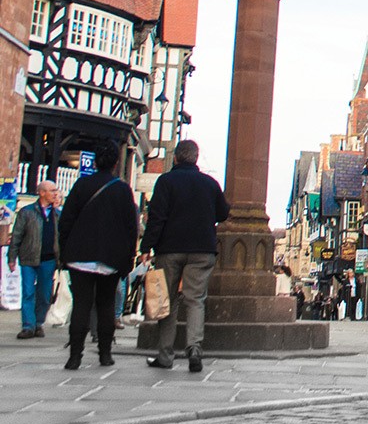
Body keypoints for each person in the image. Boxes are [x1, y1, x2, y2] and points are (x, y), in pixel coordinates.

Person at [140, 139, 230, 373]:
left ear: (176, 158)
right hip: (202, 249)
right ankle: (194, 349)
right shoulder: (210, 184)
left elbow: (156, 217)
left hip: (170, 248)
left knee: (166, 301)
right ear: (196, 158)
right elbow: (223, 212)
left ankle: (165, 354)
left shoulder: (166, 181)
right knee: (195, 299)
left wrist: (145, 247)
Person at [57, 142, 138, 370]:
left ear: (95, 162)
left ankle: (75, 357)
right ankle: (105, 354)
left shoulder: (82, 185)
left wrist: (65, 250)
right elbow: (131, 228)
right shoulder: (123, 190)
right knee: (106, 304)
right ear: (115, 163)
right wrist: (129, 257)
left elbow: (66, 221)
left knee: (81, 304)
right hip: (111, 257)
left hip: (80, 253)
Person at [6, 179, 60, 340]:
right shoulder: (27, 212)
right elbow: (17, 235)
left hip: (49, 260)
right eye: (52, 191)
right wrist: (12, 257)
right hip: (29, 257)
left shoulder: (58, 214)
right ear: (42, 192)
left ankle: (39, 323)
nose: (55, 194)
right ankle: (28, 326)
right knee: (28, 292)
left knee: (44, 294)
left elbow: (62, 237)